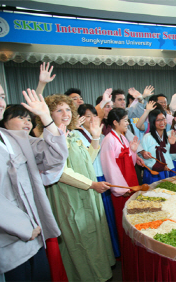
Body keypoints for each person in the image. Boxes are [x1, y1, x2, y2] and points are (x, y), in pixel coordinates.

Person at [0, 77, 68, 282]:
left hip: (35, 235)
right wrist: (24, 227)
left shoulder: (15, 138)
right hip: (4, 242)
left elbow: (55, 157)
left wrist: (45, 117)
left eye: (2, 96)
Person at [37, 94, 115, 281]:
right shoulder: (46, 139)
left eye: (67, 109)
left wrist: (95, 137)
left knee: (92, 236)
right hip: (68, 196)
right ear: (47, 114)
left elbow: (87, 160)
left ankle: (99, 274)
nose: (65, 113)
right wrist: (92, 184)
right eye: (58, 110)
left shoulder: (72, 133)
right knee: (78, 239)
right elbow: (61, 173)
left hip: (86, 192)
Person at [75, 104, 121, 258]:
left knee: (108, 218)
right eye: (87, 116)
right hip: (90, 180)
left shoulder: (100, 134)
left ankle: (113, 251)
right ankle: (103, 256)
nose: (92, 119)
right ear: (79, 119)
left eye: (94, 115)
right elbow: (86, 161)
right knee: (97, 221)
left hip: (103, 177)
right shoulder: (76, 136)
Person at [100, 108, 140, 251]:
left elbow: (130, 163)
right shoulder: (108, 140)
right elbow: (109, 167)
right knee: (122, 218)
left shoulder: (122, 137)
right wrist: (120, 189)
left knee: (132, 215)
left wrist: (133, 151)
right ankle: (126, 250)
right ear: (115, 122)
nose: (127, 123)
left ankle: (134, 246)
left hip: (129, 181)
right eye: (124, 120)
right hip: (121, 187)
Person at [141, 109, 176, 184]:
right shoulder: (147, 137)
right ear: (153, 122)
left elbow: (174, 157)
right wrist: (157, 166)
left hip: (168, 171)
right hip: (153, 173)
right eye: (158, 120)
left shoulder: (168, 136)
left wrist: (173, 145)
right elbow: (142, 158)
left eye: (163, 119)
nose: (162, 122)